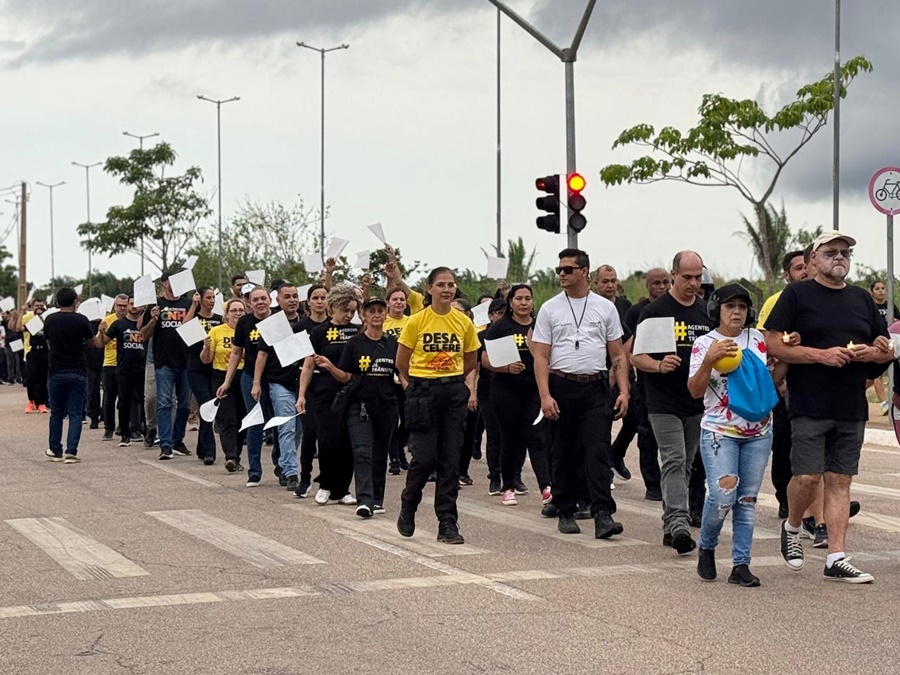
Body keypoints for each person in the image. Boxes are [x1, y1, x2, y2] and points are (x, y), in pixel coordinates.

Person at [766, 230, 892, 583]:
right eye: (831, 251)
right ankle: (793, 526)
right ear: (813, 259)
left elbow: (882, 347)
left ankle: (836, 556)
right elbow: (774, 344)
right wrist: (820, 355)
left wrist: (874, 352)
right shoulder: (796, 294)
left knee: (840, 479)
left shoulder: (861, 298)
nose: (839, 257)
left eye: (845, 252)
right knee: (807, 477)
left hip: (850, 403)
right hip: (809, 402)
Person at [688, 284, 785, 587]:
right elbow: (695, 391)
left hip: (759, 432)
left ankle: (741, 564)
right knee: (722, 495)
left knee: (746, 499)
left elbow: (771, 379)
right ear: (717, 310)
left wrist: (786, 353)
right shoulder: (704, 343)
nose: (737, 312)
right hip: (720, 431)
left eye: (742, 307)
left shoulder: (757, 339)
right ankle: (707, 546)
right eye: (730, 306)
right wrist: (709, 360)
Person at [532, 249, 629, 539]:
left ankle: (603, 514)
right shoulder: (550, 309)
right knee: (563, 450)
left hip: (595, 387)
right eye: (559, 270)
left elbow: (618, 354)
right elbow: (541, 356)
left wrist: (624, 390)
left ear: (584, 272)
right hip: (562, 385)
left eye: (568, 269)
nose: (562, 274)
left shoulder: (605, 308)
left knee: (598, 450)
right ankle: (565, 508)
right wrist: (545, 396)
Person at [632, 251, 713, 555]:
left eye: (698, 277)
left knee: (687, 462)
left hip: (696, 401)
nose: (693, 283)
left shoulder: (706, 312)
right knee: (674, 459)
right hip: (663, 401)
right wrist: (658, 365)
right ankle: (679, 523)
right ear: (674, 275)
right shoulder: (656, 312)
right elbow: (637, 357)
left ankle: (671, 525)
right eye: (687, 277)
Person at [396, 267, 479, 545]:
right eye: (441, 284)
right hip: (423, 391)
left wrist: (451, 379)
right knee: (424, 457)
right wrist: (418, 383)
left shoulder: (463, 322)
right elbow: (402, 361)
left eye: (451, 285)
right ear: (429, 288)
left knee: (450, 459)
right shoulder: (416, 321)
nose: (447, 289)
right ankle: (409, 502)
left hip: (453, 391)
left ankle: (447, 521)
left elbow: (470, 359)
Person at [324, 296, 401, 517]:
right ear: (364, 316)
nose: (376, 315)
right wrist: (330, 367)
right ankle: (364, 500)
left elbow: (402, 373)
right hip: (359, 405)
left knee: (380, 454)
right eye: (371, 311)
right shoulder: (355, 343)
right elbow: (345, 375)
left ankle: (377, 499)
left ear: (385, 314)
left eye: (380, 311)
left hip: (387, 405)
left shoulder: (393, 343)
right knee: (362, 452)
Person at [482, 284, 552, 506]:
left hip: (533, 390)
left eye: (527, 298)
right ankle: (508, 486)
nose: (524, 303)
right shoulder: (500, 327)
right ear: (510, 302)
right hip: (505, 390)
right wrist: (506, 368)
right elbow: (485, 359)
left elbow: (549, 355)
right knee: (510, 438)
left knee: (536, 436)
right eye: (519, 298)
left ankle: (546, 486)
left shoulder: (540, 326)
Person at [757, 250, 808, 519]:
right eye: (798, 268)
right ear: (787, 275)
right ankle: (785, 499)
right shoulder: (776, 301)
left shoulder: (824, 298)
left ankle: (823, 506)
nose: (804, 271)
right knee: (784, 445)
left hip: (817, 385)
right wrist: (779, 380)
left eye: (807, 265)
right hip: (785, 385)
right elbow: (766, 342)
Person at [298, 285, 360, 504]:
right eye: (345, 310)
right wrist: (301, 395)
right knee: (327, 439)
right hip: (323, 393)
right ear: (333, 307)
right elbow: (307, 366)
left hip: (350, 392)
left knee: (347, 440)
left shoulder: (357, 331)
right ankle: (325, 484)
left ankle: (343, 489)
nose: (349, 315)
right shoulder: (319, 332)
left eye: (352, 310)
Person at [615, 268, 669, 500]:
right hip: (646, 381)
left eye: (666, 282)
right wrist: (625, 379)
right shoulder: (637, 312)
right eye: (656, 283)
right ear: (647, 286)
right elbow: (625, 347)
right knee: (646, 434)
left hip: (676, 382)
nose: (662, 287)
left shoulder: (676, 308)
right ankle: (653, 484)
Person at [217, 285, 272, 487]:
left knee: (277, 422)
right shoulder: (245, 323)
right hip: (249, 377)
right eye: (255, 299)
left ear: (270, 300)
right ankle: (254, 471)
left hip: (276, 377)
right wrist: (227, 381)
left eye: (263, 298)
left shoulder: (278, 320)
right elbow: (236, 352)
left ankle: (282, 466)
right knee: (255, 423)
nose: (260, 302)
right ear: (249, 303)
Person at [253, 283, 305, 491]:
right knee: (287, 426)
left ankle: (283, 463)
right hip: (279, 382)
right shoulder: (274, 324)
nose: (292, 300)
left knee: (298, 429)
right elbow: (262, 354)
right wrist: (256, 383)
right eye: (287, 296)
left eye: (294, 296)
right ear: (278, 300)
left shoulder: (306, 321)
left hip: (302, 384)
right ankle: (291, 472)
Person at [140, 271, 197, 460]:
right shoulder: (155, 305)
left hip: (186, 360)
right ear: (164, 283)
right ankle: (165, 444)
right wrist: (153, 319)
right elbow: (144, 335)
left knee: (184, 404)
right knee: (164, 402)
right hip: (163, 361)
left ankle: (177, 440)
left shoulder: (189, 304)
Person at [42, 288, 98, 462]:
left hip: (56, 370)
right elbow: (93, 343)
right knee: (75, 413)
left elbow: (48, 342)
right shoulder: (82, 320)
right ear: (75, 302)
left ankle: (55, 449)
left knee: (57, 413)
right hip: (77, 370)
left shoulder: (50, 319)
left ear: (58, 302)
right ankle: (71, 451)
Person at [295, 284, 330, 498]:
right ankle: (305, 477)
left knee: (327, 435)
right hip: (307, 382)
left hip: (328, 382)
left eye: (323, 297)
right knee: (309, 433)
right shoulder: (300, 327)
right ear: (308, 302)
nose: (319, 301)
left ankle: (326, 479)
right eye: (315, 298)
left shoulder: (333, 325)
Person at [99, 298, 147, 448]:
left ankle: (146, 431)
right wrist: (101, 332)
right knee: (124, 402)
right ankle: (124, 434)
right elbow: (102, 342)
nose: (134, 307)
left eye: (137, 304)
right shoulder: (118, 324)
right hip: (123, 369)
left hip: (143, 369)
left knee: (144, 401)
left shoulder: (146, 324)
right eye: (131, 304)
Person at [206, 299, 247, 474]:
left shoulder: (249, 330)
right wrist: (206, 348)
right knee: (227, 417)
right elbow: (206, 360)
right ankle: (230, 456)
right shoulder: (216, 331)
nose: (237, 313)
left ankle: (236, 456)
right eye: (234, 310)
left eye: (241, 310)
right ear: (227, 314)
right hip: (222, 376)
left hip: (244, 376)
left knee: (242, 418)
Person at [186, 287, 223, 463]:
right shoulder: (194, 318)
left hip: (214, 369)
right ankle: (209, 451)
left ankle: (202, 447)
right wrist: (193, 306)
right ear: (200, 299)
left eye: (213, 297)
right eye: (208, 297)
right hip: (196, 368)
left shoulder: (219, 319)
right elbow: (184, 328)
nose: (211, 301)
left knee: (209, 407)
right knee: (207, 404)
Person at [478, 297, 508, 497]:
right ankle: (495, 477)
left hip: (511, 390)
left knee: (513, 435)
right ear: (490, 315)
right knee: (494, 434)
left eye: (505, 313)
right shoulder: (482, 336)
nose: (502, 317)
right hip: (487, 390)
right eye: (499, 313)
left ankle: (513, 477)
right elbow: (476, 365)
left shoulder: (513, 333)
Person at [384, 286, 411, 473]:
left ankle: (400, 450)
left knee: (408, 420)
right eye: (395, 299)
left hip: (408, 376)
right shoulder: (382, 322)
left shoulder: (411, 322)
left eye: (402, 299)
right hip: (388, 378)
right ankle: (394, 459)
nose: (399, 302)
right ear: (388, 303)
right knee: (392, 420)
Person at [99, 295, 128, 439]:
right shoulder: (108, 320)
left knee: (125, 399)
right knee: (109, 398)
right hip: (110, 363)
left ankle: (123, 427)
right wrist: (101, 332)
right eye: (119, 305)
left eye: (124, 305)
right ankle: (108, 428)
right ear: (114, 306)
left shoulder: (132, 320)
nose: (122, 308)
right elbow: (100, 343)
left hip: (126, 364)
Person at [13, 300, 49, 413]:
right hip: (32, 351)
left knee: (43, 378)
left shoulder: (48, 319)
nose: (39, 307)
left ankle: (41, 403)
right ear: (32, 307)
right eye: (37, 305)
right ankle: (31, 401)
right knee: (31, 378)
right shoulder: (33, 321)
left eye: (41, 305)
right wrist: (22, 312)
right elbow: (19, 328)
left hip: (44, 352)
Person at [867, 280, 898, 414]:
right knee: (877, 374)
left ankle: (855, 392)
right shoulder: (870, 306)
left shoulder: (890, 306)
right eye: (877, 288)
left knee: (870, 379)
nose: (880, 291)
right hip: (876, 343)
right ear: (872, 292)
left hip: (891, 342)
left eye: (882, 288)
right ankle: (884, 403)